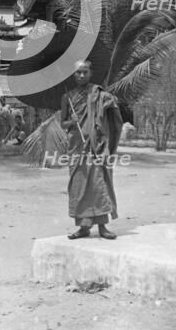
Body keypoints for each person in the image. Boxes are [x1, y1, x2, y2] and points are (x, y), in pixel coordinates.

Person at [60, 60, 123, 240]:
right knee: (79, 186)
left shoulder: (99, 94)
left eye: (84, 72)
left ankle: (103, 227)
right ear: (73, 75)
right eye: (78, 72)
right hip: (77, 147)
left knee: (98, 183)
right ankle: (83, 227)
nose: (81, 75)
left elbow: (111, 111)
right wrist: (71, 122)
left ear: (90, 73)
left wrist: (110, 102)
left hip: (96, 146)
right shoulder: (67, 98)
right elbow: (62, 122)